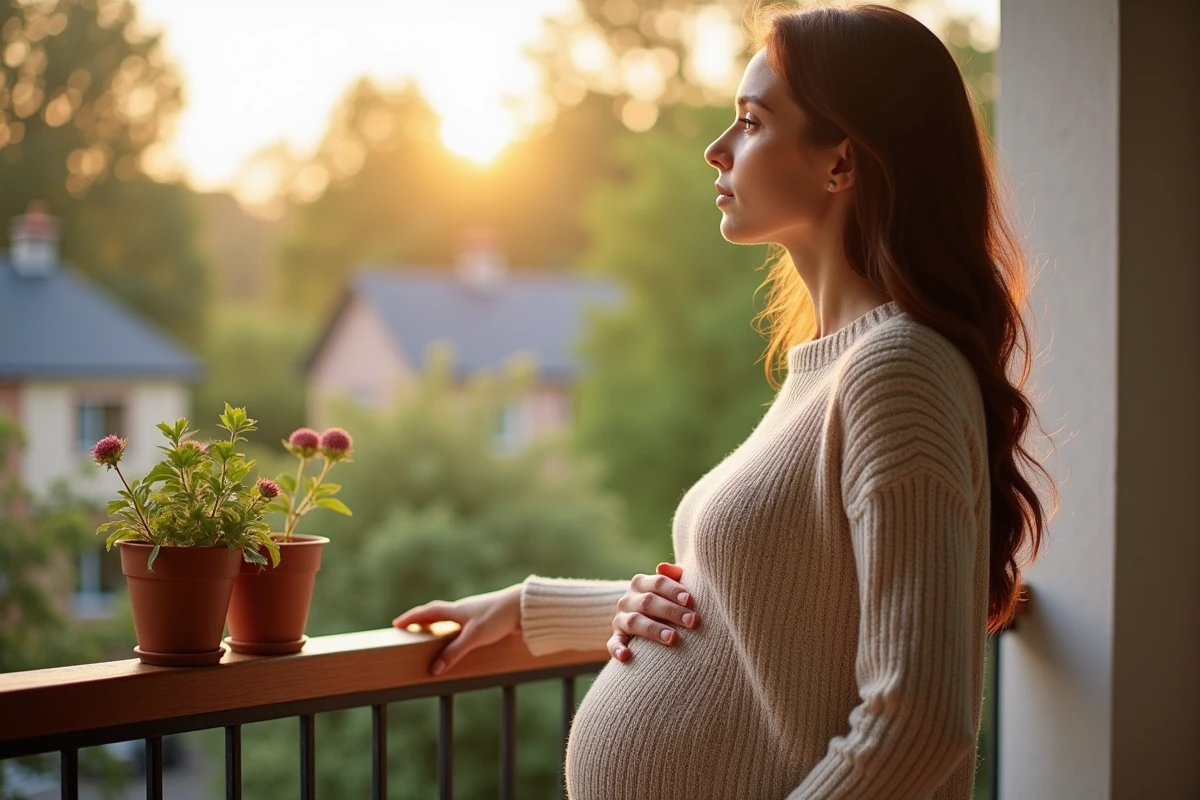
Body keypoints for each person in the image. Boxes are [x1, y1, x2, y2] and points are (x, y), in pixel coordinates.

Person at [393, 4, 1054, 798]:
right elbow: (759, 612)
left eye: (752, 121)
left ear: (841, 161)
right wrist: (530, 610)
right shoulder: (832, 368)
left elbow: (919, 719)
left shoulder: (897, 371)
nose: (716, 148)